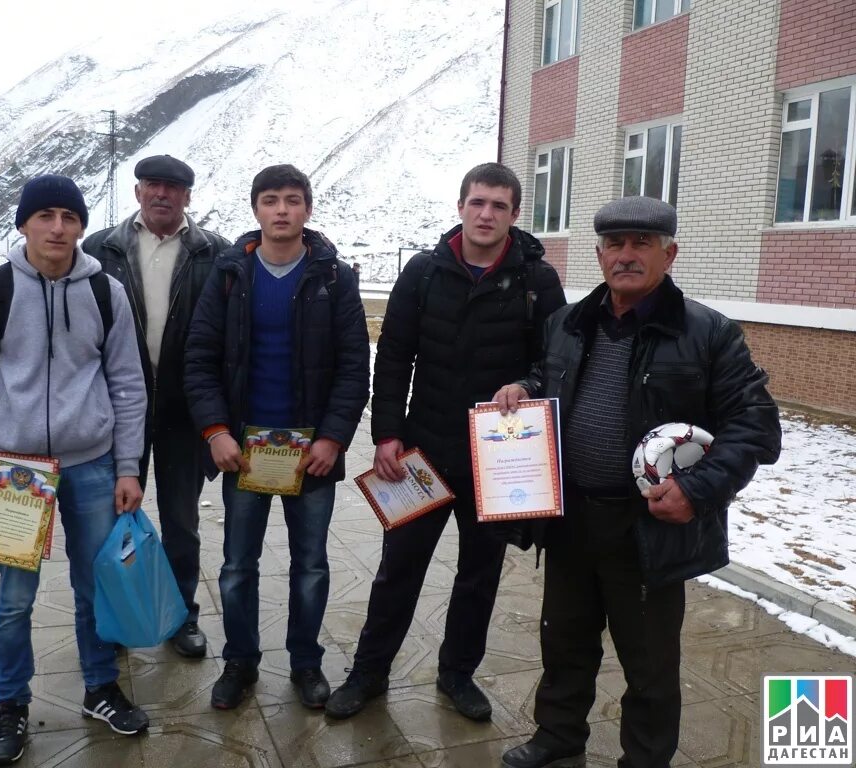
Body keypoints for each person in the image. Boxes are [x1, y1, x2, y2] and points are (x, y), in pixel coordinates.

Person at [494, 196, 781, 768]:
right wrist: (523, 389)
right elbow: (551, 380)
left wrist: (697, 491)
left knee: (649, 664)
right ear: (599, 254)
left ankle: (645, 759)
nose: (626, 255)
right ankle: (557, 739)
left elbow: (755, 427)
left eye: (641, 244)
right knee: (563, 643)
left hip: (647, 527)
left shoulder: (709, 333)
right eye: (615, 244)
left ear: (668, 254)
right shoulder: (566, 324)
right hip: (571, 518)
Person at [324, 162, 566, 722]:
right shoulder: (424, 272)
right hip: (422, 452)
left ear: (514, 214)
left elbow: (554, 361)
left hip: (498, 461)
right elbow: (394, 357)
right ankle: (368, 673)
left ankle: (457, 675)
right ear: (461, 206)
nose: (486, 214)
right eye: (478, 203)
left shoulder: (537, 280)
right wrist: (386, 434)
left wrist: (526, 385)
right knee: (398, 571)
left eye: (499, 206)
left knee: (478, 577)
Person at [0, 175, 150, 766]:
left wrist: (127, 467)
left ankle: (99, 687)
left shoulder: (107, 293)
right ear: (24, 223)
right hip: (15, 473)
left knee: (96, 586)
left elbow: (129, 387)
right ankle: (9, 704)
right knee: (14, 599)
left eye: (69, 216)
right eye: (45, 216)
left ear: (82, 226)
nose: (58, 227)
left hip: (92, 465)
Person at [184, 164, 369, 711]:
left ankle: (306, 664)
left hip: (310, 454)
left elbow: (354, 366)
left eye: (293, 200)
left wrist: (334, 438)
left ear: (308, 209)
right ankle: (240, 662)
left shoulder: (334, 277)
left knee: (310, 565)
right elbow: (199, 360)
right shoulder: (228, 275)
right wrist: (215, 431)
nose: (282, 210)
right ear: (256, 209)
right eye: (271, 200)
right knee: (237, 566)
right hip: (244, 453)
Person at [82, 154, 229, 658]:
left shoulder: (214, 253)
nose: (162, 194)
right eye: (153, 185)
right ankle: (119, 617)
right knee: (112, 521)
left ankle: (182, 616)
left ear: (188, 195)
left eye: (173, 187)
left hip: (185, 413)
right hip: (119, 410)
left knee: (182, 521)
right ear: (138, 190)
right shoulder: (100, 249)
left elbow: (226, 342)